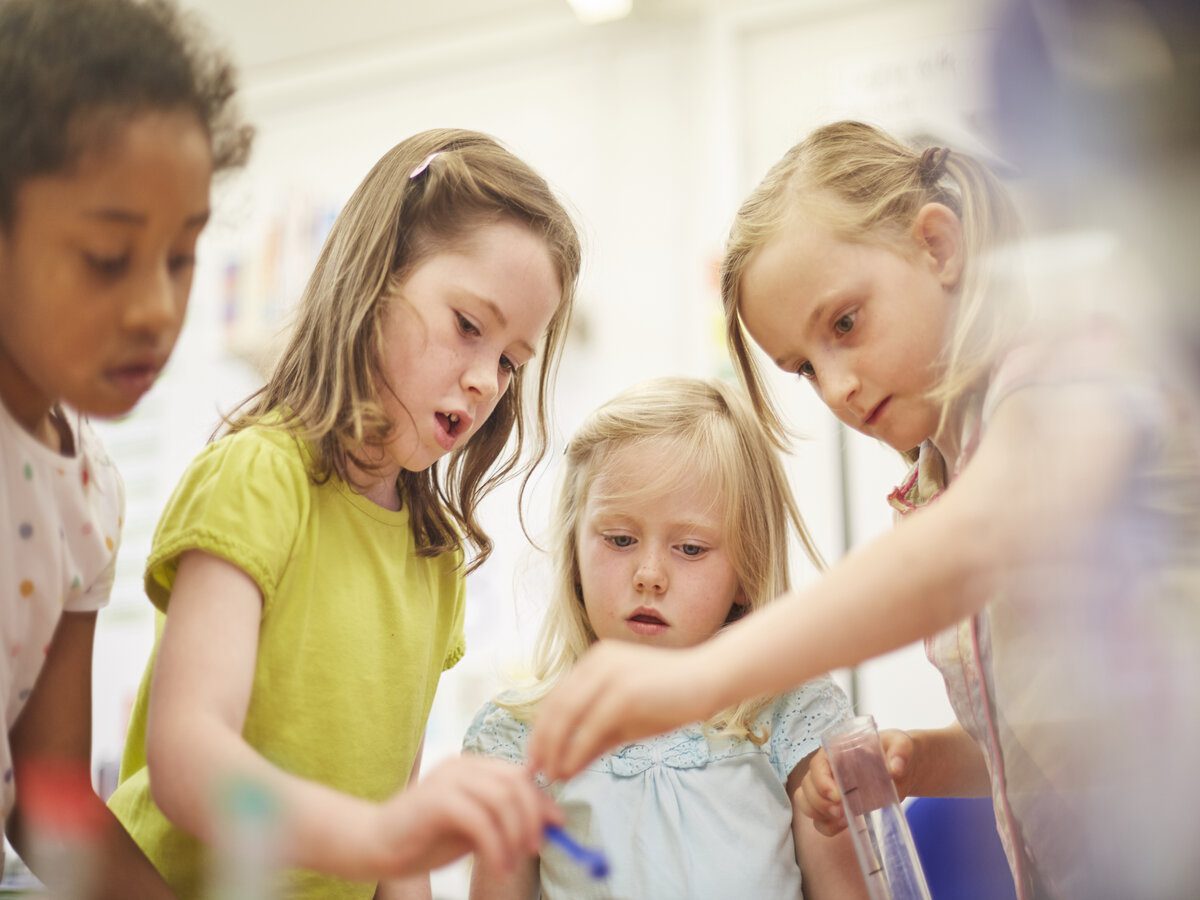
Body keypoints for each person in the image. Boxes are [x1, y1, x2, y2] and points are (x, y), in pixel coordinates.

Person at [527, 121, 1200, 898]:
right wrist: (926, 755)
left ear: (937, 247)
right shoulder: (938, 481)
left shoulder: (1067, 359)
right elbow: (1073, 746)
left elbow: (975, 543)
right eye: (805, 368)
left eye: (845, 324)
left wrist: (700, 679)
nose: (839, 385)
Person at [105, 129, 581, 899]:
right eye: (468, 326)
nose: (487, 380)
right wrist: (377, 835)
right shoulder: (258, 478)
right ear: (374, 279)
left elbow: (395, 829)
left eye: (510, 361)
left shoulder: (434, 560)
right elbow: (190, 763)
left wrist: (393, 843)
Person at [0, 0, 252, 895]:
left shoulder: (86, 490)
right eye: (109, 257)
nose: (156, 307)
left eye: (180, 257)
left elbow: (51, 792)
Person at [464, 377, 865, 900]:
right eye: (621, 539)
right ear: (575, 552)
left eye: (691, 548)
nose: (649, 575)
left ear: (748, 570)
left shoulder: (792, 717)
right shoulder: (520, 739)